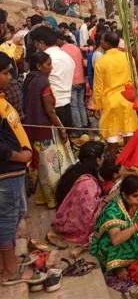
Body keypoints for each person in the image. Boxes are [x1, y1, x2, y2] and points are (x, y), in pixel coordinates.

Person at [0, 52, 32, 284]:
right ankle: (9, 270)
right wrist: (16, 155)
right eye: (4, 73)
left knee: (14, 214)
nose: (10, 77)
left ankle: (9, 261)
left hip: (14, 169)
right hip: (7, 169)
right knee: (7, 218)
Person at [23, 51, 69, 208]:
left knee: (41, 164)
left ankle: (42, 197)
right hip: (44, 128)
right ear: (39, 66)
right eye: (48, 64)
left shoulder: (28, 79)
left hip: (30, 128)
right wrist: (61, 128)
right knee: (51, 166)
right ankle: (52, 199)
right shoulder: (43, 82)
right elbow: (50, 110)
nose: (51, 67)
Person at [89, 175, 138, 292]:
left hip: (132, 237)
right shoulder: (113, 210)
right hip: (112, 242)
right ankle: (117, 267)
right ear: (124, 195)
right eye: (135, 196)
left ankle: (131, 261)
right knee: (112, 247)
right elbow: (115, 239)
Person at [93, 32, 138, 158]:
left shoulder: (101, 61)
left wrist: (97, 106)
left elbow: (98, 87)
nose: (101, 42)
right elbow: (135, 78)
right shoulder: (127, 57)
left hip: (110, 100)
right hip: (127, 98)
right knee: (128, 130)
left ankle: (112, 161)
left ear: (107, 44)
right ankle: (129, 159)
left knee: (112, 133)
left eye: (102, 40)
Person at [51, 141, 106, 245]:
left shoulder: (76, 170)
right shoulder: (88, 183)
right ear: (98, 160)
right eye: (102, 156)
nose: (104, 159)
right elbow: (89, 213)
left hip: (65, 215)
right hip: (74, 225)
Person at [31, 26, 75, 129]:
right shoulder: (67, 57)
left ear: (41, 43)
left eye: (36, 44)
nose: (36, 48)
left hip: (50, 109)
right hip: (66, 106)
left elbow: (39, 83)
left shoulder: (45, 59)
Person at [58, 32, 88, 132]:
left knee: (74, 105)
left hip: (71, 81)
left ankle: (78, 127)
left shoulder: (61, 51)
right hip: (81, 79)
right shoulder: (76, 47)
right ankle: (85, 124)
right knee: (81, 103)